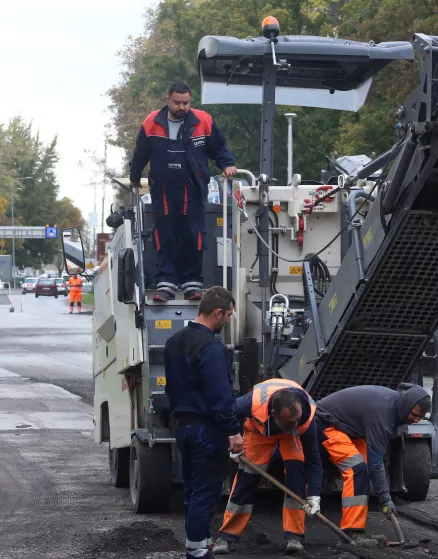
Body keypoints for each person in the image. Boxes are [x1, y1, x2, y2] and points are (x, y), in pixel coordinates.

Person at [129, 81, 238, 303]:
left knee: (193, 235)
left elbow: (219, 147)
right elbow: (140, 152)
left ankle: (192, 283)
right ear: (167, 100)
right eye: (177, 103)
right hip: (163, 190)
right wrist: (134, 177)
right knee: (165, 235)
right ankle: (165, 283)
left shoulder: (203, 121)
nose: (182, 107)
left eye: (186, 103)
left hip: (193, 189)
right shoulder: (152, 123)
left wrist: (227, 163)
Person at [164, 286, 243, 559]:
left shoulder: (174, 341)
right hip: (206, 430)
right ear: (218, 313)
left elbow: (171, 388)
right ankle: (198, 554)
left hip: (183, 427)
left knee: (192, 492)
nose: (228, 321)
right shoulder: (211, 346)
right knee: (205, 494)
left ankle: (199, 547)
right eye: (229, 315)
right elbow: (219, 393)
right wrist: (232, 430)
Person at [214, 378, 322, 555]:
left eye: (297, 419)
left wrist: (314, 495)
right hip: (259, 433)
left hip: (291, 438)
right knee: (246, 479)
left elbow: (314, 459)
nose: (294, 424)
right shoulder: (251, 402)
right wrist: (232, 438)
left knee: (296, 474)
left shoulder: (305, 418)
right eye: (289, 422)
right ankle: (227, 536)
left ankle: (294, 536)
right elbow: (223, 413)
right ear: (273, 413)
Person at [314, 384, 432, 539]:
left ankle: (357, 526)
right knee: (357, 469)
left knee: (365, 469)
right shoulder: (383, 415)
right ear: (407, 405)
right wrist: (386, 499)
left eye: (420, 417)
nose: (415, 420)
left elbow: (375, 461)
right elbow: (376, 463)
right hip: (323, 423)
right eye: (414, 414)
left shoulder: (395, 404)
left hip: (345, 429)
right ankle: (353, 531)